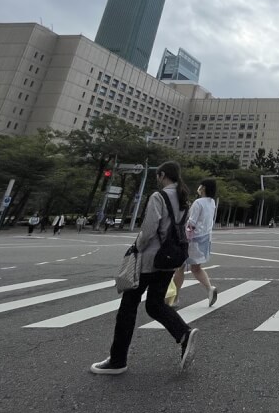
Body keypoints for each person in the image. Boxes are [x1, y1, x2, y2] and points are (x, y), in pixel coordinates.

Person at [90, 161, 198, 375]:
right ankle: (183, 333)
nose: (156, 179)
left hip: (149, 259)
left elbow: (149, 230)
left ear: (162, 175)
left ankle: (118, 360)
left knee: (128, 308)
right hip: (169, 260)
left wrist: (136, 247)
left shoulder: (159, 197)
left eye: (158, 175)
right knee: (155, 305)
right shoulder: (185, 200)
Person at [173, 179, 219, 308]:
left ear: (203, 188)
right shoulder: (212, 202)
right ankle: (209, 289)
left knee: (179, 267)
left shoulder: (198, 202)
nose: (199, 188)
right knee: (196, 268)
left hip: (192, 239)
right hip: (204, 239)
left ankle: (175, 298)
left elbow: (191, 223)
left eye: (200, 186)